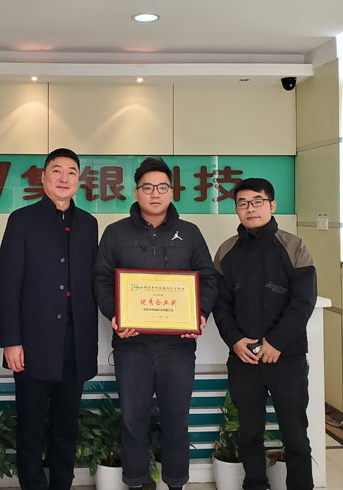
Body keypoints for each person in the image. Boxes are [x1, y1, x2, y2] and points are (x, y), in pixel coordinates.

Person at [93, 157, 218, 490]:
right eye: (147, 187)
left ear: (171, 192)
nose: (155, 194)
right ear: (136, 193)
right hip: (131, 344)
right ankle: (137, 482)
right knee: (133, 420)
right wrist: (114, 314)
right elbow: (101, 279)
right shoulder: (115, 233)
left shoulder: (189, 233)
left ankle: (176, 482)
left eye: (162, 187)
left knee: (176, 420)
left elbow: (208, 278)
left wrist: (200, 314)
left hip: (178, 345)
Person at [0, 148, 98, 490]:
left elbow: (95, 281)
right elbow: (7, 285)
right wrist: (11, 340)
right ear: (43, 177)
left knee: (67, 426)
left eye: (72, 172)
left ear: (79, 180)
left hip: (75, 342)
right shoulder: (22, 220)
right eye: (57, 170)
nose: (64, 178)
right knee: (31, 425)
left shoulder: (89, 224)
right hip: (33, 342)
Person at [213, 178, 317, 490]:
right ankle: (255, 484)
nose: (250, 208)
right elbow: (220, 304)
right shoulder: (226, 251)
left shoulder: (294, 247)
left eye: (257, 201)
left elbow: (303, 302)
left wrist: (276, 343)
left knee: (295, 435)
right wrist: (234, 340)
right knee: (249, 434)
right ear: (236, 209)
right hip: (243, 358)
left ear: (272, 205)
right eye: (243, 203)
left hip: (286, 357)